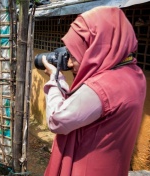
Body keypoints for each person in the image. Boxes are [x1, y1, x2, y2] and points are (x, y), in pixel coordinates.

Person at [42, 6, 146, 176]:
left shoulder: (102, 87)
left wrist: (55, 79)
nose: (69, 64)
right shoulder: (134, 73)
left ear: (96, 49)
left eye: (75, 54)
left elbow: (58, 120)